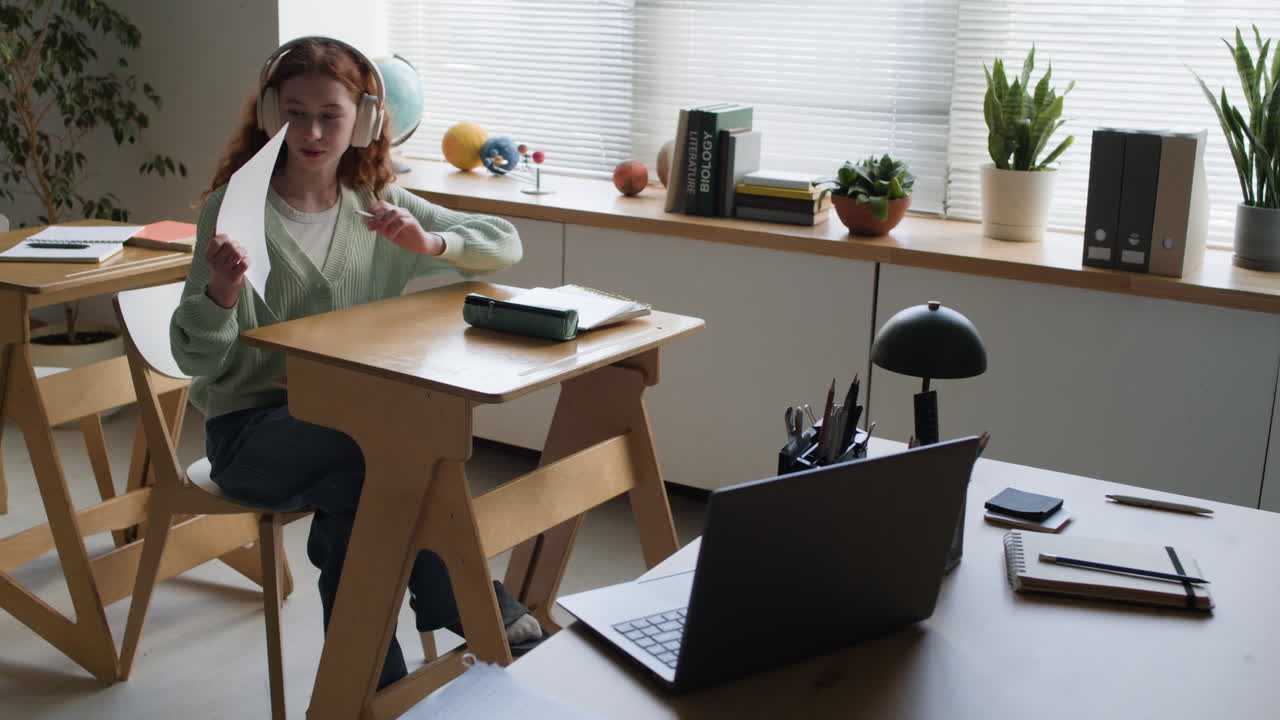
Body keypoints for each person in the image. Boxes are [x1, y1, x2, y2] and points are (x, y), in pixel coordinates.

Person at [170, 37, 537, 689]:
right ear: (270, 114)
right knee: (392, 456)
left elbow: (504, 243)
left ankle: (370, 685)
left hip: (349, 431)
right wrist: (221, 293)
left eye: (329, 115)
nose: (311, 132)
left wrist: (431, 242)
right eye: (295, 113)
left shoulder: (376, 204)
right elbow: (193, 356)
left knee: (360, 500)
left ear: (363, 120)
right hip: (249, 434)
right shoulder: (232, 211)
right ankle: (461, 596)